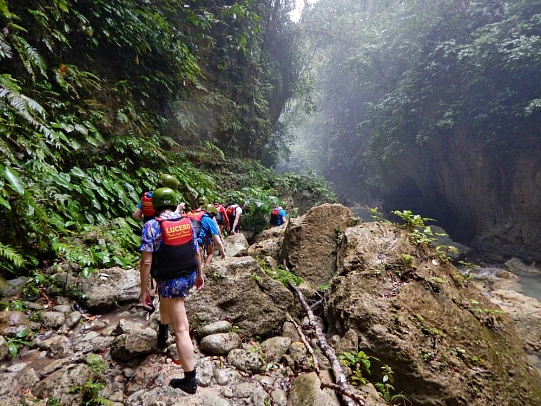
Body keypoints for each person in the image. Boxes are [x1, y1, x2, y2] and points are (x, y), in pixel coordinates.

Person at [139, 187, 203, 394]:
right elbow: (196, 251)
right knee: (166, 301)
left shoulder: (150, 226)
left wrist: (144, 290)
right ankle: (163, 333)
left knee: (182, 329)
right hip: (188, 275)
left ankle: (189, 380)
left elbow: (146, 262)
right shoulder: (186, 221)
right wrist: (200, 274)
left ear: (155, 205)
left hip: (169, 280)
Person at [186, 196, 226, 264]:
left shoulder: (191, 214)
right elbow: (218, 242)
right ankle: (204, 269)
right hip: (198, 243)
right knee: (205, 256)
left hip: (185, 242)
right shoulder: (208, 219)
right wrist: (223, 254)